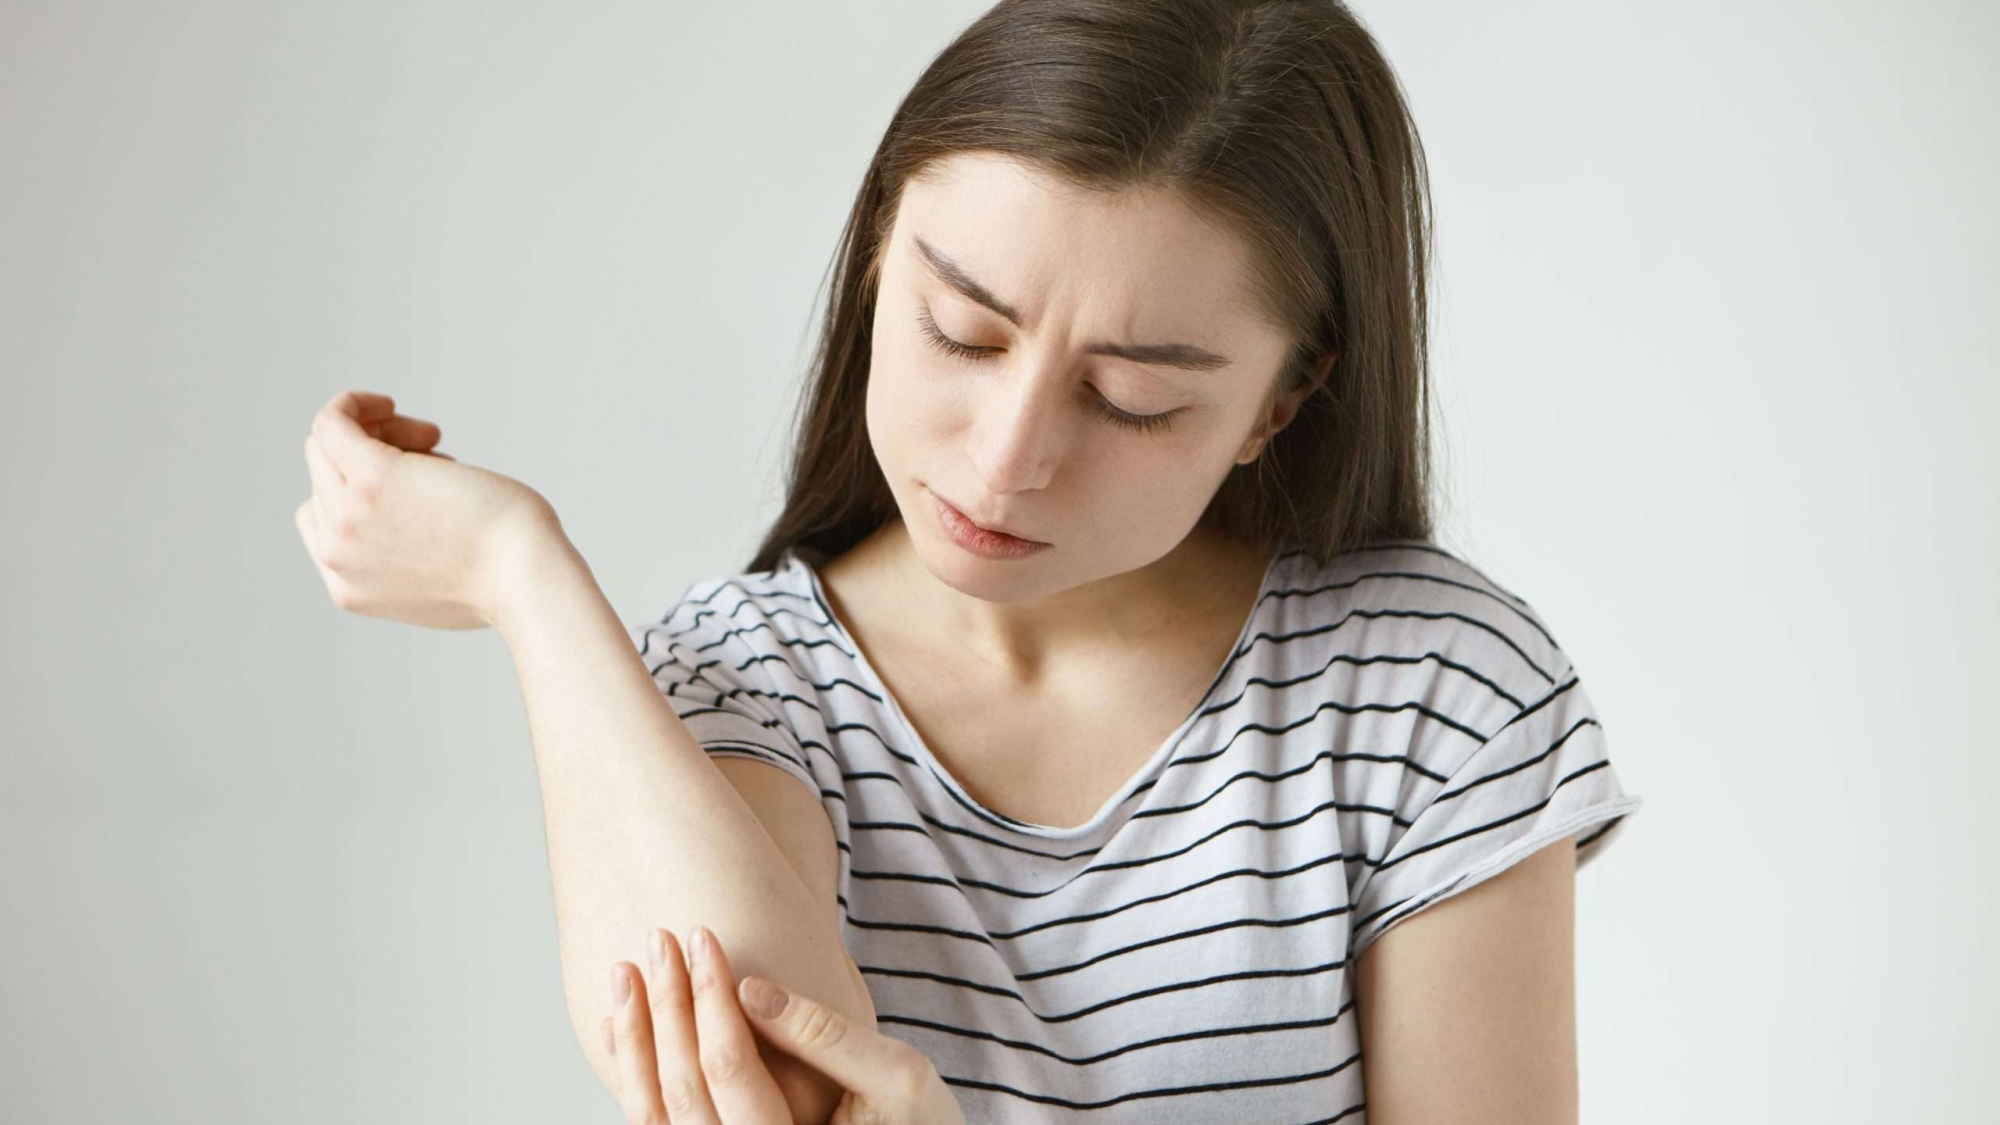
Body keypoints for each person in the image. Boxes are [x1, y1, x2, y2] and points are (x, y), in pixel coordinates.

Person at [296, 1, 1643, 1122]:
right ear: (880, 253)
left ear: (1280, 406)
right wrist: (526, 578)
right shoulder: (747, 681)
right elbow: (772, 1083)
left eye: (1131, 400)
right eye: (962, 330)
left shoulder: (1430, 691)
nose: (1006, 461)